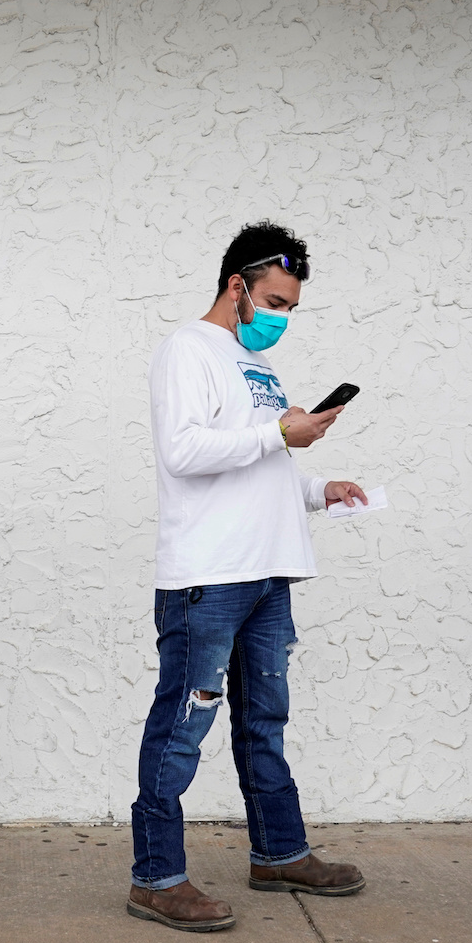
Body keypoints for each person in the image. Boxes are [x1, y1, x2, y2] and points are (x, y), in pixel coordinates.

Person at [128, 221, 369, 933]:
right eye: (272, 301)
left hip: (268, 573)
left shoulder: (253, 366)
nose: (279, 317)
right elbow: (183, 452)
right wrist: (276, 434)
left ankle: (278, 853)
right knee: (182, 726)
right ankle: (155, 878)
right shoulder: (186, 350)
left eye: (290, 307)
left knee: (263, 721)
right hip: (209, 577)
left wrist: (317, 486)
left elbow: (260, 463)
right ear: (235, 286)